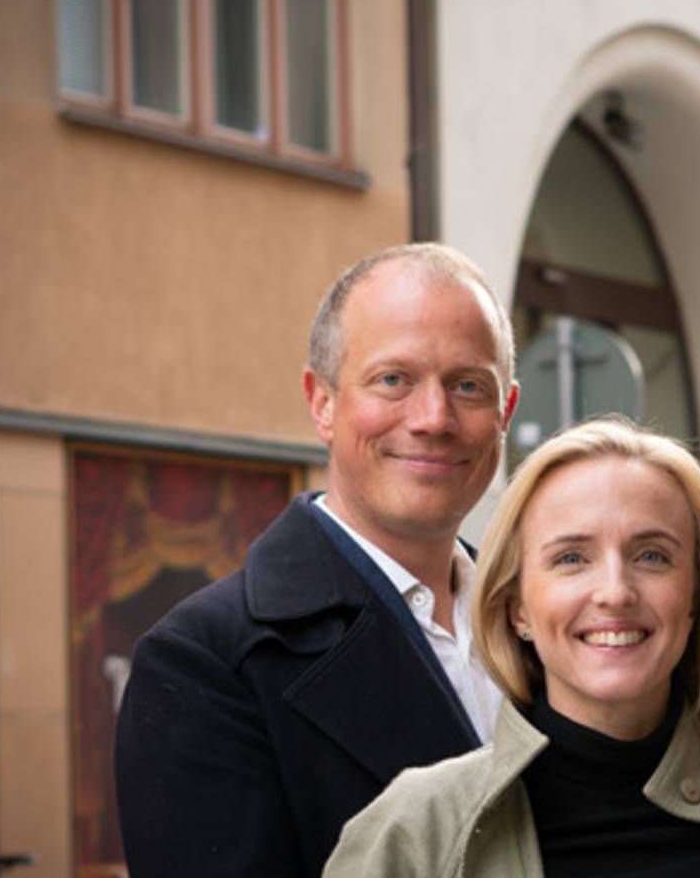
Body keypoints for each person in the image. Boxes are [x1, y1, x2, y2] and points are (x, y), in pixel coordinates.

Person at [115, 244, 520, 876]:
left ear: (506, 413)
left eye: (468, 386)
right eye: (394, 380)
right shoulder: (205, 663)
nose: (434, 418)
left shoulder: (544, 626)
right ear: (322, 402)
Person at [326, 417, 700, 877]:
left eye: (652, 556)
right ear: (518, 608)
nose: (614, 592)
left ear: (696, 596)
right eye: (571, 558)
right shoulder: (416, 833)